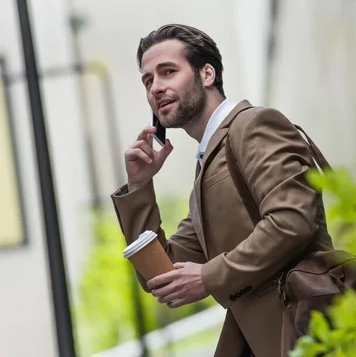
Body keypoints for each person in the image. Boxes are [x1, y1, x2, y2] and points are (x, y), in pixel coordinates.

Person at [111, 24, 334, 357]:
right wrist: (140, 187)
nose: (156, 88)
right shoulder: (208, 163)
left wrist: (209, 277)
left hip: (309, 333)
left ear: (207, 74)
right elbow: (161, 277)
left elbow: (292, 220)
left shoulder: (254, 126)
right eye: (148, 81)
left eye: (168, 72)